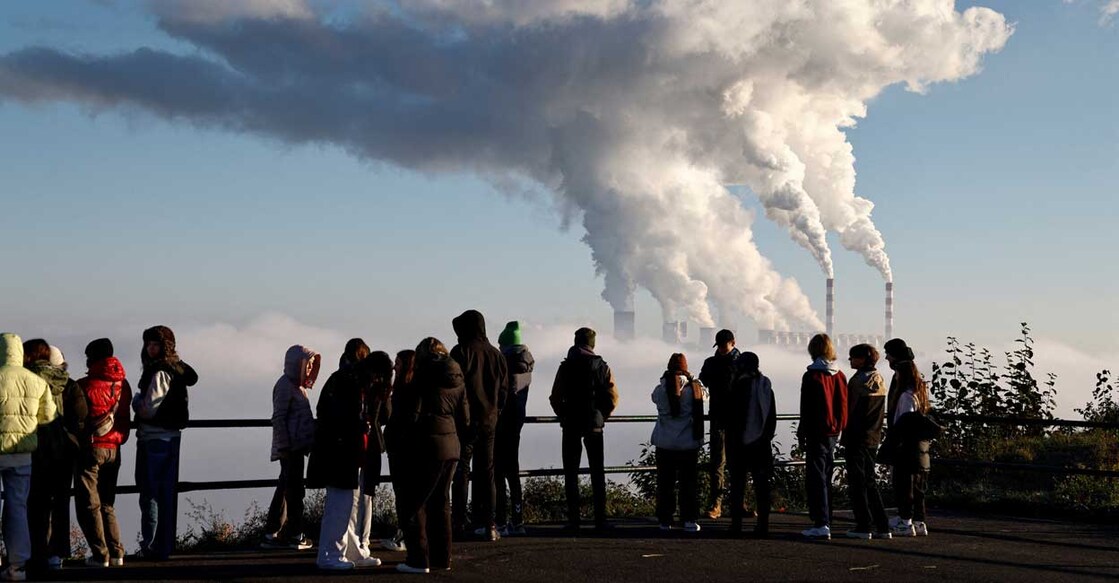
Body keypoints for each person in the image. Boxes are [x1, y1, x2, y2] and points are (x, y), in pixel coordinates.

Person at [307, 351, 391, 570]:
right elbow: (340, 418)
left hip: (345, 452)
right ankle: (330, 554)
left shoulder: (348, 380)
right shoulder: (349, 384)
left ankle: (350, 551)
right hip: (340, 453)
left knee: (349, 503)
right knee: (340, 504)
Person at [393, 338, 470, 574]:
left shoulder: (424, 375)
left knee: (412, 502)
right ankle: (442, 559)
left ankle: (417, 560)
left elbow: (412, 413)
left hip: (426, 446)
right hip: (451, 447)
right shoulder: (457, 377)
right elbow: (465, 417)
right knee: (440, 504)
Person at [132, 325, 198, 561]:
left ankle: (151, 545)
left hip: (154, 438)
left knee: (150, 493)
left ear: (164, 346)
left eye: (155, 344)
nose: (150, 348)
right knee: (166, 493)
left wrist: (136, 402)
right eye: (148, 344)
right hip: (172, 437)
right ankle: (164, 545)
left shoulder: (160, 371)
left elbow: (149, 408)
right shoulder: (176, 368)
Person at [549, 327, 618, 531]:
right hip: (594, 424)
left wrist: (563, 413)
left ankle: (574, 520)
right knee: (597, 472)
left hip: (570, 423)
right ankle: (600, 520)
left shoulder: (565, 366)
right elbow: (613, 396)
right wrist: (602, 415)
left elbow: (555, 396)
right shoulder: (602, 366)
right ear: (593, 344)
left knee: (571, 472)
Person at [0, 333, 57, 582]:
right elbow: (48, 416)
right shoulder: (35, 381)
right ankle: (17, 566)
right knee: (18, 507)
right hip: (22, 453)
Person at [449, 310, 509, 541]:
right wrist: (495, 412)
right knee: (488, 473)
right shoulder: (496, 355)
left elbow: (455, 388)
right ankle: (490, 524)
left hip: (465, 424)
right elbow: (503, 392)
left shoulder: (461, 352)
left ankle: (458, 522)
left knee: (462, 472)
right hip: (490, 422)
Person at [22, 340, 82, 570]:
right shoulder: (69, 383)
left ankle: (35, 552)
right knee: (61, 502)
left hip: (37, 448)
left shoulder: (29, 379)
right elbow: (81, 413)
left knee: (35, 503)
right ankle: (57, 555)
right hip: (64, 449)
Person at [73, 338, 132, 567]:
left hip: (92, 447)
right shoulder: (122, 384)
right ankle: (117, 553)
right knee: (107, 503)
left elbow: (77, 417)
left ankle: (100, 555)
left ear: (92, 358)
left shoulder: (85, 385)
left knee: (89, 504)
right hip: (114, 448)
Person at [263, 345, 320, 551]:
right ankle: (295, 534)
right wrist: (285, 445)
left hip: (295, 446)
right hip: (291, 448)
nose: (310, 368)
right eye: (308, 363)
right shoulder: (287, 386)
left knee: (285, 489)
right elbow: (278, 417)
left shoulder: (296, 385)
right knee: (295, 492)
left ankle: (272, 532)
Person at [797, 333, 847, 540]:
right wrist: (840, 426)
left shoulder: (812, 375)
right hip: (833, 431)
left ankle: (822, 522)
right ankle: (827, 518)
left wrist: (802, 433)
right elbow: (843, 404)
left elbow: (806, 408)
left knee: (816, 477)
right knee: (827, 473)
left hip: (817, 431)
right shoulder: (839, 375)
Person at [883, 338, 934, 538]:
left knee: (904, 483)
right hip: (921, 445)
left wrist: (894, 441)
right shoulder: (919, 388)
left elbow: (903, 421)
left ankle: (905, 521)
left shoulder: (904, 394)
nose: (886, 357)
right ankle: (919, 520)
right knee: (919, 484)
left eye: (888, 354)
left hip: (907, 445)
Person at [840, 344, 891, 540]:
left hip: (856, 437)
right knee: (870, 481)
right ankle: (882, 525)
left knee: (857, 483)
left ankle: (863, 525)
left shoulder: (858, 382)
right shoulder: (879, 379)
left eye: (853, 357)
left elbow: (849, 409)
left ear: (862, 359)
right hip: (873, 437)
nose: (850, 360)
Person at [650, 354, 705, 532]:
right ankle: (689, 519)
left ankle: (665, 520)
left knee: (665, 484)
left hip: (665, 444)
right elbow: (706, 395)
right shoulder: (694, 390)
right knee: (688, 484)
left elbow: (653, 397)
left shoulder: (661, 389)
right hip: (688, 445)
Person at [724, 352, 776, 538]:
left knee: (738, 484)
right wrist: (765, 437)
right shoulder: (766, 387)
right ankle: (763, 524)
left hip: (740, 445)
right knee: (762, 485)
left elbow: (731, 417)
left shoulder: (738, 386)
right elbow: (771, 418)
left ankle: (736, 524)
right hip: (761, 444)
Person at [495, 321, 534, 536]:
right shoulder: (526, 363)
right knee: (513, 472)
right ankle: (518, 520)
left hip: (503, 422)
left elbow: (503, 396)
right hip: (517, 420)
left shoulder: (507, 364)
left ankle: (501, 519)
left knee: (498, 473)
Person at [698, 329, 739, 519]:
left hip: (733, 418)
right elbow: (702, 382)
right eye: (720, 346)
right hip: (720, 417)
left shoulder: (736, 363)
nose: (722, 349)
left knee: (736, 463)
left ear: (732, 343)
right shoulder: (713, 363)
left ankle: (738, 503)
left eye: (724, 345)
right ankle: (717, 503)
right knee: (718, 462)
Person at [382, 350, 415, 554]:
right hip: (405, 447)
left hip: (401, 448)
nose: (395, 367)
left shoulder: (403, 392)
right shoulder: (414, 390)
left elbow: (389, 416)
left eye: (398, 363)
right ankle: (407, 533)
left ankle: (404, 534)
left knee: (403, 493)